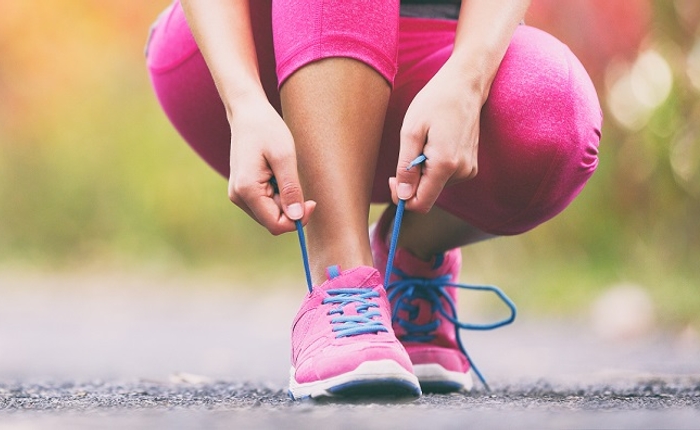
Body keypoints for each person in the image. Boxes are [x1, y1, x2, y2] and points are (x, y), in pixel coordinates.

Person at [145, 0, 601, 399]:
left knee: (557, 116)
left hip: (439, 44)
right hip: (251, 52)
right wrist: (242, 101)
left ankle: (411, 254)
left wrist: (468, 79)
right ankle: (343, 284)